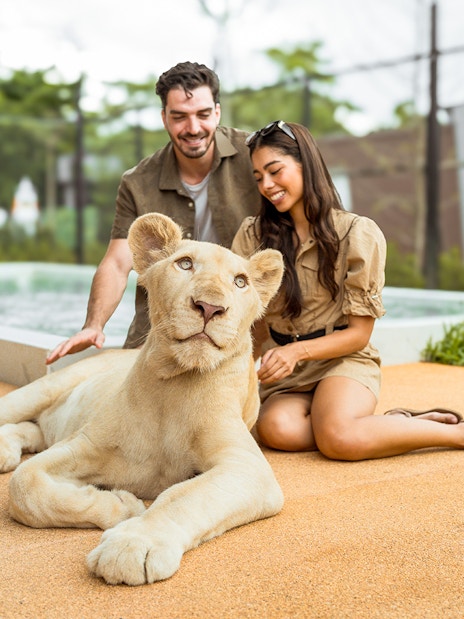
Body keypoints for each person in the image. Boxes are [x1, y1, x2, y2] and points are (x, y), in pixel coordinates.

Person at [231, 120, 464, 459]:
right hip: (289, 375)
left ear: (305, 164)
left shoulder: (356, 233)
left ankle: (456, 434)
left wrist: (296, 352)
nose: (267, 185)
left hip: (343, 359)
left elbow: (358, 334)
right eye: (258, 178)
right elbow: (249, 318)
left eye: (275, 171)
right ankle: (393, 425)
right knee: (277, 431)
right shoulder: (252, 234)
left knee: (338, 439)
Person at [46, 62, 261, 364]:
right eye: (179, 117)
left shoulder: (256, 156)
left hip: (239, 325)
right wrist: (93, 326)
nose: (193, 128)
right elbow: (118, 263)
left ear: (217, 112)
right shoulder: (137, 182)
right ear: (164, 118)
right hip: (161, 331)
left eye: (202, 114)